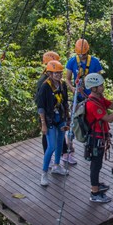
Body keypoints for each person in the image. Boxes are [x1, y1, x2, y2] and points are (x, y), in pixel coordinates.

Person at [83, 72, 113, 203]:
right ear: (93, 88)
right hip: (95, 138)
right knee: (95, 165)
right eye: (100, 86)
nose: (102, 87)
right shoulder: (92, 104)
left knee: (98, 164)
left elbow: (112, 105)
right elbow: (110, 118)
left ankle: (96, 185)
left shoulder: (99, 99)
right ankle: (94, 193)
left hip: (100, 136)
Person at [63, 38, 102, 164]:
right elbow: (68, 78)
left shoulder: (94, 62)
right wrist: (73, 88)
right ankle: (69, 149)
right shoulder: (72, 61)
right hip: (78, 96)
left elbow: (99, 79)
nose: (82, 56)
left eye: (84, 54)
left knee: (92, 122)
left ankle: (90, 146)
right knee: (74, 121)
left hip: (91, 97)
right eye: (80, 54)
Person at [35, 59, 70, 187]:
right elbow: (41, 107)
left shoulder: (62, 85)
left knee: (60, 142)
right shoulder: (45, 87)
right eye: (56, 73)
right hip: (49, 119)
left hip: (60, 118)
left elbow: (65, 102)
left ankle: (56, 165)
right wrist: (43, 123)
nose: (59, 75)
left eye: (60, 73)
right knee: (52, 146)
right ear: (49, 74)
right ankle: (44, 173)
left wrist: (68, 116)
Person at [36, 51, 72, 158]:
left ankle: (63, 152)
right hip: (46, 111)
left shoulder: (59, 82)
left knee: (61, 132)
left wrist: (67, 114)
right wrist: (43, 120)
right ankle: (50, 155)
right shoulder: (43, 82)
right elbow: (40, 100)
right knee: (46, 134)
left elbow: (64, 99)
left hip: (57, 111)